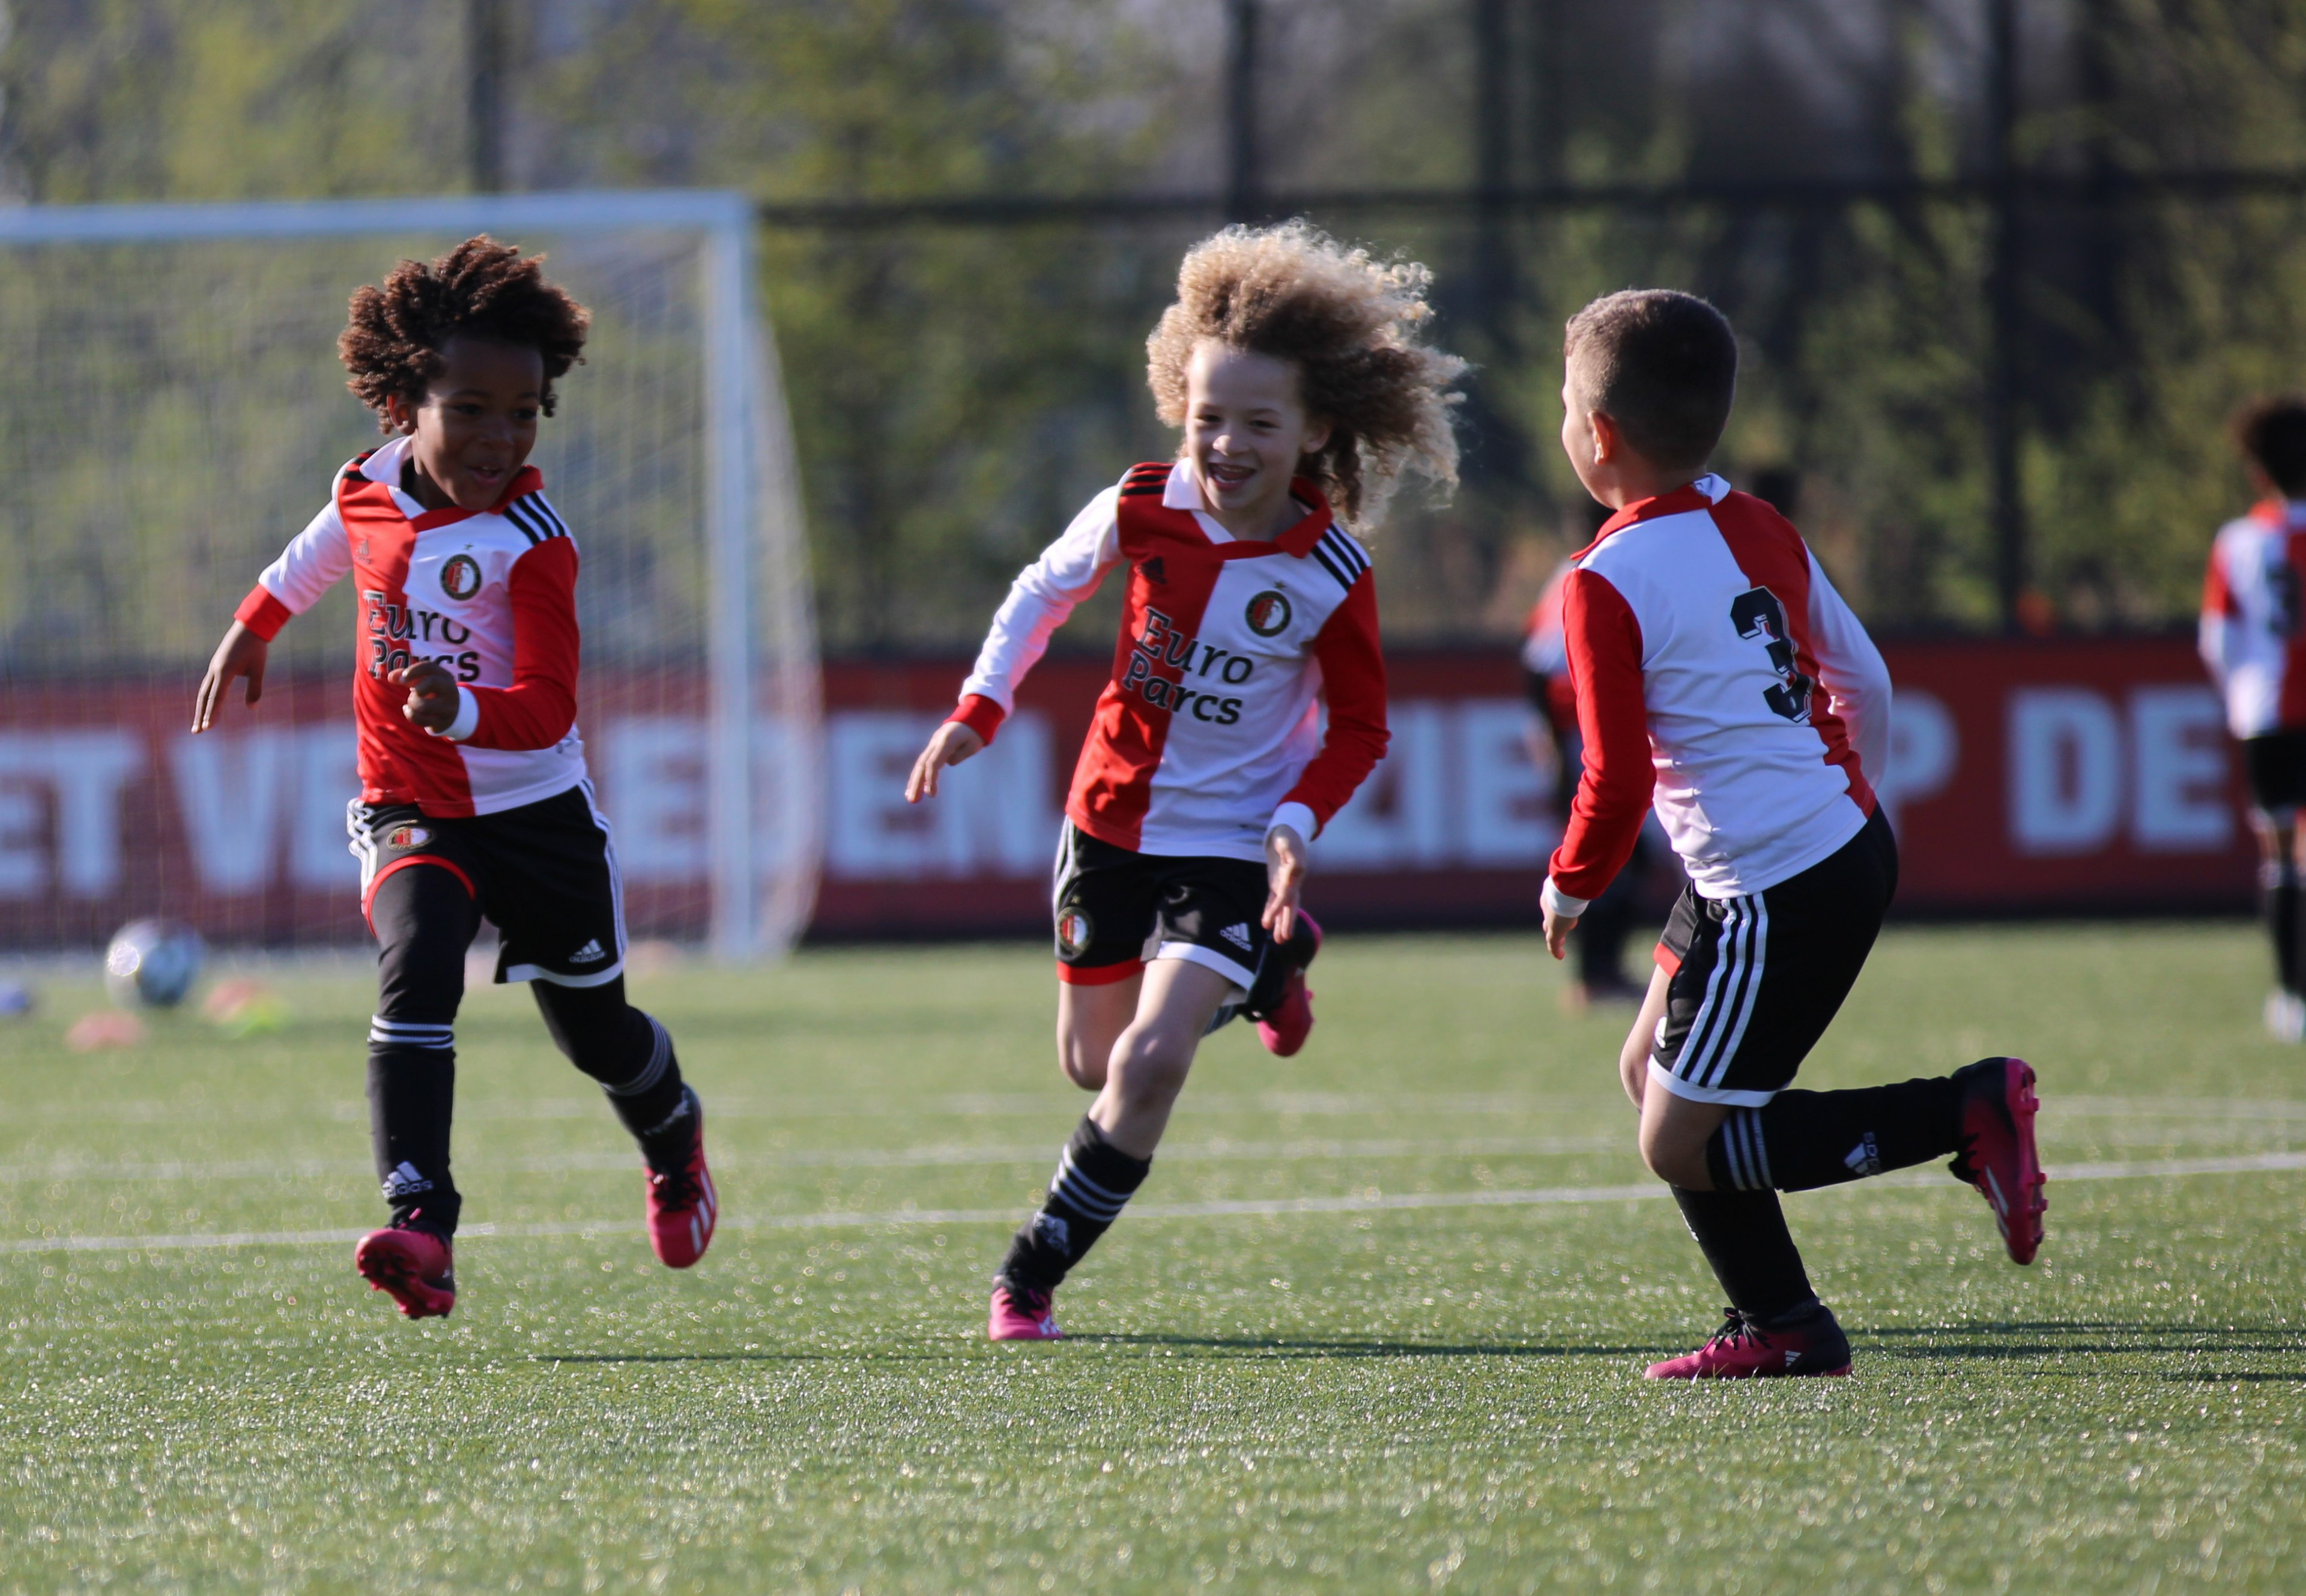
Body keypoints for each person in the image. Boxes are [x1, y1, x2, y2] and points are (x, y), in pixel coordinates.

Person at [905, 221, 1464, 1342]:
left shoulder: (1329, 571)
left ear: (1313, 429)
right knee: (1094, 1063)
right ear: (1179, 407)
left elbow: (1360, 726)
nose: (1228, 444)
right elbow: (1038, 590)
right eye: (1210, 417)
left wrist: (1299, 820)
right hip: (1107, 823)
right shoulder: (1139, 505)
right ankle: (1270, 971)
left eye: (1259, 423)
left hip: (1228, 844)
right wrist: (980, 705)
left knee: (1152, 1065)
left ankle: (1030, 1272)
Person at [190, 238, 717, 1320]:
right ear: (403, 403)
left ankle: (672, 1133)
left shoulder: (534, 542)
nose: (499, 436)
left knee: (596, 1033)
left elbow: (549, 707)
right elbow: (326, 541)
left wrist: (463, 706)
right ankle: (420, 1221)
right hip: (411, 801)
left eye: (522, 412)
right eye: (470, 407)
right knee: (418, 963)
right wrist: (254, 625)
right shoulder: (368, 484)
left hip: (538, 817)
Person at [1540, 288, 2045, 1379]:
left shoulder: (1600, 580)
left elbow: (1614, 774)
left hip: (1774, 883)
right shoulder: (1750, 520)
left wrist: (1571, 883)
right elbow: (1861, 677)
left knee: (1680, 1140)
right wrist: (1831, 788)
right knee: (1650, 1071)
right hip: (1823, 847)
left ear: (1598, 435)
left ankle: (1964, 1111)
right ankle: (1780, 1320)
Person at [2199, 397, 2306, 1042]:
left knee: (2280, 853)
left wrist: (2241, 700)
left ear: (2258, 472)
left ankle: (2292, 994)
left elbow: (2218, 641)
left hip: (2266, 717)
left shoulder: (2240, 542)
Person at [1522, 536, 1654, 1008]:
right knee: (1613, 851)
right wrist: (1558, 757)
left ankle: (1604, 972)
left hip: (1605, 736)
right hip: (1585, 740)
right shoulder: (1586, 571)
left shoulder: (1614, 561)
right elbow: (1539, 669)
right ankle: (1593, 976)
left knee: (1634, 856)